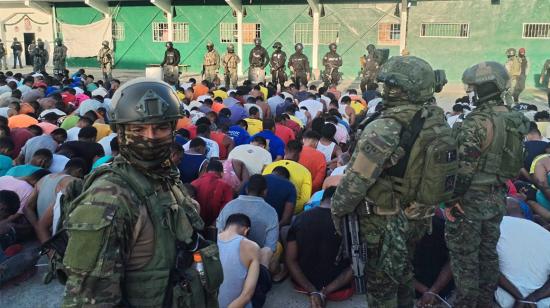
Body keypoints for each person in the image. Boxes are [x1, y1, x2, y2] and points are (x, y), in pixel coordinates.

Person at [61, 78, 214, 307]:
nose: (150, 137)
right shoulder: (109, 197)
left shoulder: (162, 175)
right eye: (138, 129)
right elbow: (88, 299)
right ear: (120, 132)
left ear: (173, 130)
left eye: (161, 127)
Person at [331, 56, 447, 307]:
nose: (386, 91)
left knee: (381, 286)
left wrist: (337, 211)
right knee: (403, 272)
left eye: (392, 87)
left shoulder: (385, 127)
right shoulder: (434, 118)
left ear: (405, 90)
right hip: (417, 217)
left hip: (384, 221)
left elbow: (356, 182)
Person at [445, 62, 530, 308]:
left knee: (465, 258)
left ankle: (466, 303)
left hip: (470, 199)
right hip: (497, 195)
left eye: (474, 89)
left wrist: (452, 200)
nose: (471, 93)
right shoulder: (513, 117)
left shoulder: (476, 122)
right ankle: (485, 302)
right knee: (488, 254)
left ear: (483, 89)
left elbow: (465, 168)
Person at [287, 186, 353, 307]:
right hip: (339, 290)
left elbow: (290, 260)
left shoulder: (300, 218)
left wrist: (312, 290)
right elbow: (355, 265)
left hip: (302, 285)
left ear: (322, 199)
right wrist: (324, 292)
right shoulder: (349, 223)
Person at [216, 175, 279, 267]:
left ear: (246, 189)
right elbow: (270, 247)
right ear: (265, 192)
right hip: (254, 262)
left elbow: (218, 232)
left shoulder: (229, 206)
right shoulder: (271, 212)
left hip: (225, 259)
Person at [496, 205, 550, 307]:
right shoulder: (544, 234)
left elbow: (487, 267)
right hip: (540, 303)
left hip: (504, 300)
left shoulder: (493, 228)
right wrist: (532, 299)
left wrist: (519, 297)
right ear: (523, 213)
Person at [23, 158, 86, 243]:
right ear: (79, 171)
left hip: (43, 235)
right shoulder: (73, 182)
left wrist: (37, 226)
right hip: (58, 237)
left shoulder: (44, 178)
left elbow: (27, 207)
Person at [218, 214, 263, 308]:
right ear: (246, 230)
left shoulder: (207, 241)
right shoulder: (252, 247)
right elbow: (247, 295)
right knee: (263, 275)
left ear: (224, 227)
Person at [263, 140, 312, 213]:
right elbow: (305, 200)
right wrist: (289, 211)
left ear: (285, 150)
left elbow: (260, 188)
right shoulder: (305, 172)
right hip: (290, 214)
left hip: (265, 209)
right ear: (299, 153)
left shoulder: (270, 166)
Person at [191, 160, 233, 227]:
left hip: (194, 226)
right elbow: (226, 209)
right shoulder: (226, 186)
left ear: (206, 171)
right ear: (221, 173)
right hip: (215, 228)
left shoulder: (193, 183)